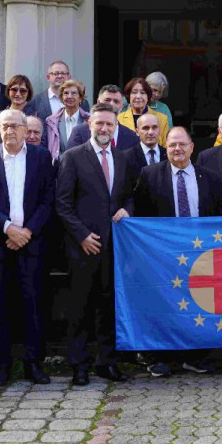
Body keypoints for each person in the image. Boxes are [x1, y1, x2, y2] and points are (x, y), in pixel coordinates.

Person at [133, 126, 222, 377]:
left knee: (198, 305)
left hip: (200, 254)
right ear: (166, 148)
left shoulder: (211, 178)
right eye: (172, 145)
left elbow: (219, 216)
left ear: (192, 147)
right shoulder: (149, 175)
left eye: (182, 144)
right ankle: (157, 357)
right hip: (162, 256)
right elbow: (141, 216)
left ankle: (194, 357)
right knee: (163, 303)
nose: (177, 149)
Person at [0, 110, 56, 386]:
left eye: (15, 126)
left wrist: (27, 231)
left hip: (32, 244)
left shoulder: (41, 157)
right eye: (4, 126)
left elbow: (48, 199)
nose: (9, 131)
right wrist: (8, 228)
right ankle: (1, 366)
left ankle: (34, 363)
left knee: (33, 305)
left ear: (25, 130)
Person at [56, 103, 136, 386]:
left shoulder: (122, 157)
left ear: (116, 127)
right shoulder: (73, 157)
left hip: (114, 246)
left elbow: (127, 195)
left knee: (108, 306)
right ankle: (79, 365)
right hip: (82, 247)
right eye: (99, 123)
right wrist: (81, 236)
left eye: (109, 125)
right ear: (89, 125)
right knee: (80, 307)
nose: (104, 128)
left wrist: (127, 209)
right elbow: (62, 204)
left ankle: (107, 363)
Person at [66, 85, 140, 151]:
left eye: (116, 101)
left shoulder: (132, 136)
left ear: (122, 105)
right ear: (98, 102)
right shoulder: (79, 132)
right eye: (107, 100)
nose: (111, 104)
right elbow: (70, 161)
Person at [45, 79, 90, 160]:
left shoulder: (89, 121)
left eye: (74, 93)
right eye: (66, 93)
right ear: (61, 98)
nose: (69, 96)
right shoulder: (51, 121)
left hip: (82, 168)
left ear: (80, 98)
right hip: (58, 168)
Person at [0, 75, 37, 146]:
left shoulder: (34, 116)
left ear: (28, 93)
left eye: (22, 91)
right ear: (8, 91)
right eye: (14, 90)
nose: (18, 94)